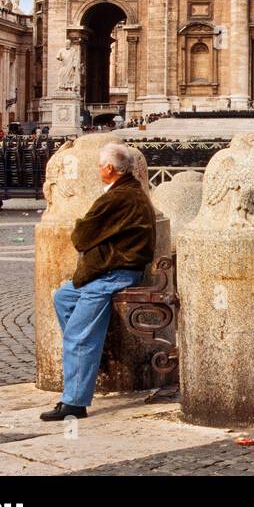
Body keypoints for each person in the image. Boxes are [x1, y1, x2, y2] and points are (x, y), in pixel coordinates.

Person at [42, 143, 156, 421]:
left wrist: (85, 229)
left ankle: (74, 402)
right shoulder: (128, 192)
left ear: (109, 169)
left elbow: (81, 235)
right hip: (112, 269)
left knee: (79, 335)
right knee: (63, 297)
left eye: (99, 165)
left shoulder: (117, 198)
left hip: (112, 273)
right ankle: (88, 356)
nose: (97, 170)